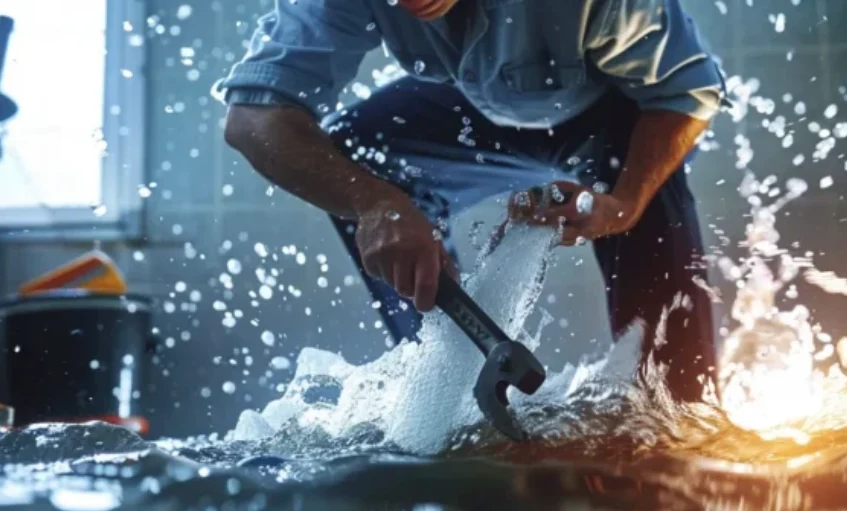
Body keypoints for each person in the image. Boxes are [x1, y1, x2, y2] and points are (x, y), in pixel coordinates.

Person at [218, 0, 726, 400]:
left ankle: (679, 408)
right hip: (478, 105)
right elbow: (251, 120)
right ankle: (450, 386)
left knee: (676, 389)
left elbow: (684, 92)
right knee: (356, 160)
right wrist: (372, 202)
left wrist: (626, 204)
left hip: (617, 112)